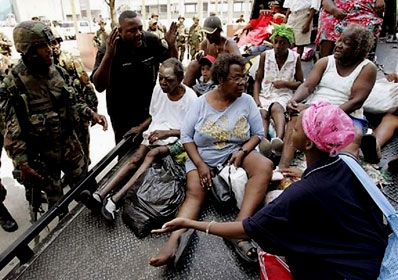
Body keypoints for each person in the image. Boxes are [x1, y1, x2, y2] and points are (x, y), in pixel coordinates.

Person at [153, 101, 389, 280]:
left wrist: (192, 224)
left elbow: (244, 228)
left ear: (308, 144)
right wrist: (303, 174)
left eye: (296, 129)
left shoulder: (301, 193)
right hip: (374, 252)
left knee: (278, 241)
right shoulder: (346, 162)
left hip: (349, 274)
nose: (291, 131)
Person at [149, 54, 273, 266]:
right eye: (236, 78)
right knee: (195, 192)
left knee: (265, 166)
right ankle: (173, 240)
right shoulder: (200, 103)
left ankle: (239, 229)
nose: (242, 82)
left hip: (234, 151)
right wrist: (200, 165)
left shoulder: (247, 101)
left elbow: (258, 134)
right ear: (221, 80)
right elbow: (186, 137)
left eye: (243, 77)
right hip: (202, 155)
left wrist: (243, 152)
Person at [0, 21, 107, 212]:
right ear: (29, 50)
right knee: (57, 205)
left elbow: (73, 102)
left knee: (87, 187)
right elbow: (12, 130)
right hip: (42, 154)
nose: (50, 50)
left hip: (69, 145)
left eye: (49, 44)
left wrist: (92, 114)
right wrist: (23, 164)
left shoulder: (57, 72)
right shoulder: (13, 84)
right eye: (42, 46)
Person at [83, 58, 197, 220]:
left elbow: (191, 132)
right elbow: (155, 115)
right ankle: (99, 195)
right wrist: (140, 128)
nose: (163, 83)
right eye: (161, 78)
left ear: (180, 80)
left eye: (169, 80)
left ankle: (115, 200)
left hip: (175, 138)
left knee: (148, 159)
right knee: (135, 158)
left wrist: (168, 133)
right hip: (155, 132)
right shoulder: (159, 89)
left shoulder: (191, 99)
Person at [278, 24, 377, 171]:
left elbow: (356, 101)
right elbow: (307, 86)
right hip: (315, 110)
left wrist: (326, 116)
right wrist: (294, 100)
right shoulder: (325, 62)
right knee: (294, 118)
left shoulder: (367, 68)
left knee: (353, 137)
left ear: (359, 49)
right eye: (339, 40)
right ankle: (282, 167)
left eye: (346, 43)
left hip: (345, 113)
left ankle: (356, 163)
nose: (338, 45)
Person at [91, 10, 178, 144]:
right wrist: (109, 55)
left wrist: (172, 45)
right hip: (122, 113)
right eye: (132, 30)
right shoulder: (108, 48)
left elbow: (172, 67)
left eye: (140, 28)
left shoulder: (150, 40)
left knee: (153, 145)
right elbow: (100, 86)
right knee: (126, 150)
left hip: (149, 109)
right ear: (120, 32)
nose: (138, 34)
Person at [253, 24, 303, 157]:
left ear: (289, 44)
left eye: (282, 43)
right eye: (276, 42)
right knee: (262, 113)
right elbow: (258, 80)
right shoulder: (265, 56)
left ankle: (278, 140)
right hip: (266, 93)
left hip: (284, 94)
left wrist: (285, 83)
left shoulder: (295, 58)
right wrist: (257, 99)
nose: (278, 46)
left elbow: (300, 83)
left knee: (276, 108)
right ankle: (263, 141)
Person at [52, 29, 99, 165]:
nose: (53, 47)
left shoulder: (70, 61)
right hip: (59, 117)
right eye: (50, 44)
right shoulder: (45, 67)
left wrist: (93, 109)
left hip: (78, 112)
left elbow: (86, 85)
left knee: (83, 147)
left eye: (55, 43)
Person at [183, 16, 241, 87]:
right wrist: (199, 56)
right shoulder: (205, 43)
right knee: (193, 64)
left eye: (210, 33)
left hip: (224, 76)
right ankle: (186, 92)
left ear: (218, 31)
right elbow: (202, 63)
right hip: (209, 76)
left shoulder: (229, 44)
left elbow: (240, 63)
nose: (207, 36)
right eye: (206, 33)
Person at [315, 0, 384, 58]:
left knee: (365, 28)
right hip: (338, 9)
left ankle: (360, 63)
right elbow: (326, 1)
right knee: (328, 24)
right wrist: (334, 10)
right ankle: (325, 62)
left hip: (363, 9)